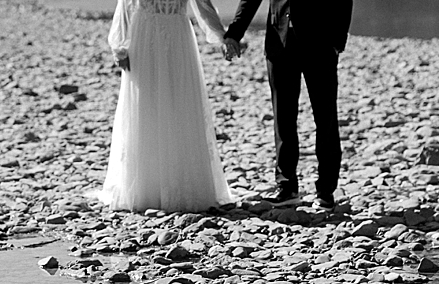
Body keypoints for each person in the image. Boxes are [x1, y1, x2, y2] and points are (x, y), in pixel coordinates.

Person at [99, 0, 233, 213]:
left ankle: (181, 185)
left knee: (179, 105)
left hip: (178, 38)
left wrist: (222, 36)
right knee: (145, 106)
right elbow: (125, 5)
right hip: (144, 36)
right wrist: (120, 46)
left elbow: (202, 5)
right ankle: (146, 186)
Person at [223, 0, 352, 209]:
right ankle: (286, 187)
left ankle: (326, 191)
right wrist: (235, 33)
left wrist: (338, 41)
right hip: (279, 42)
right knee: (283, 117)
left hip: (320, 42)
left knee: (325, 117)